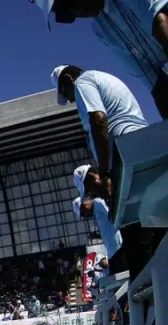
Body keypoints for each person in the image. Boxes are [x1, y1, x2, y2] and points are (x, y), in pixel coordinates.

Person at [33, 0, 168, 117]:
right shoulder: (101, 30)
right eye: (65, 11)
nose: (74, 10)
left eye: (68, 0)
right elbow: (154, 83)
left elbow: (161, 21)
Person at [51, 65, 148, 192]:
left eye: (65, 92)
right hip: (138, 139)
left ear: (69, 79)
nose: (70, 100)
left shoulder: (82, 82)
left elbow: (99, 120)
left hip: (126, 150)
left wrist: (105, 173)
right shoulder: (100, 77)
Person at [73, 164, 126, 270]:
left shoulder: (98, 202)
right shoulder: (96, 213)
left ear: (84, 205)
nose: (85, 216)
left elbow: (113, 216)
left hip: (118, 247)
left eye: (83, 213)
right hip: (112, 252)